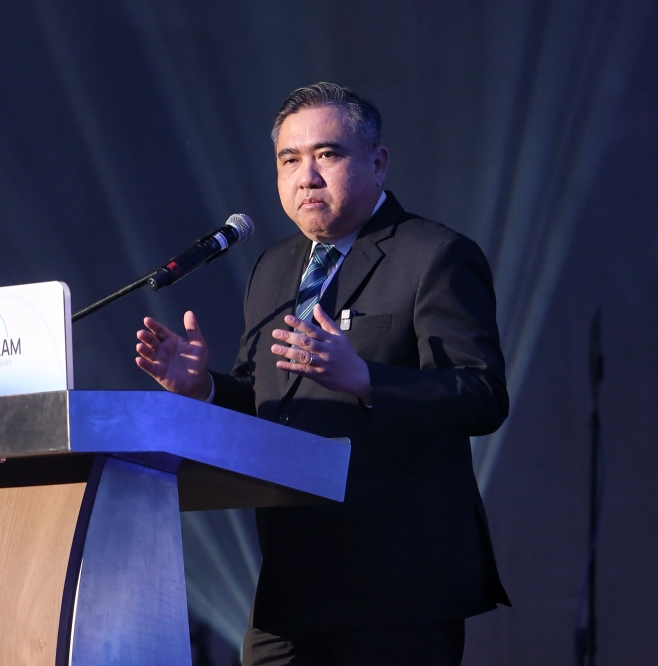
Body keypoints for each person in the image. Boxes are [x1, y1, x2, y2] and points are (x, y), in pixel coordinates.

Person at [134, 82, 510, 665]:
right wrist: (203, 388)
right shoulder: (273, 267)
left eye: (327, 154)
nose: (306, 176)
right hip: (291, 584)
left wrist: (367, 380)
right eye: (289, 160)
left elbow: (481, 395)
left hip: (400, 585)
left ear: (377, 162)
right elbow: (267, 403)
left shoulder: (434, 255)